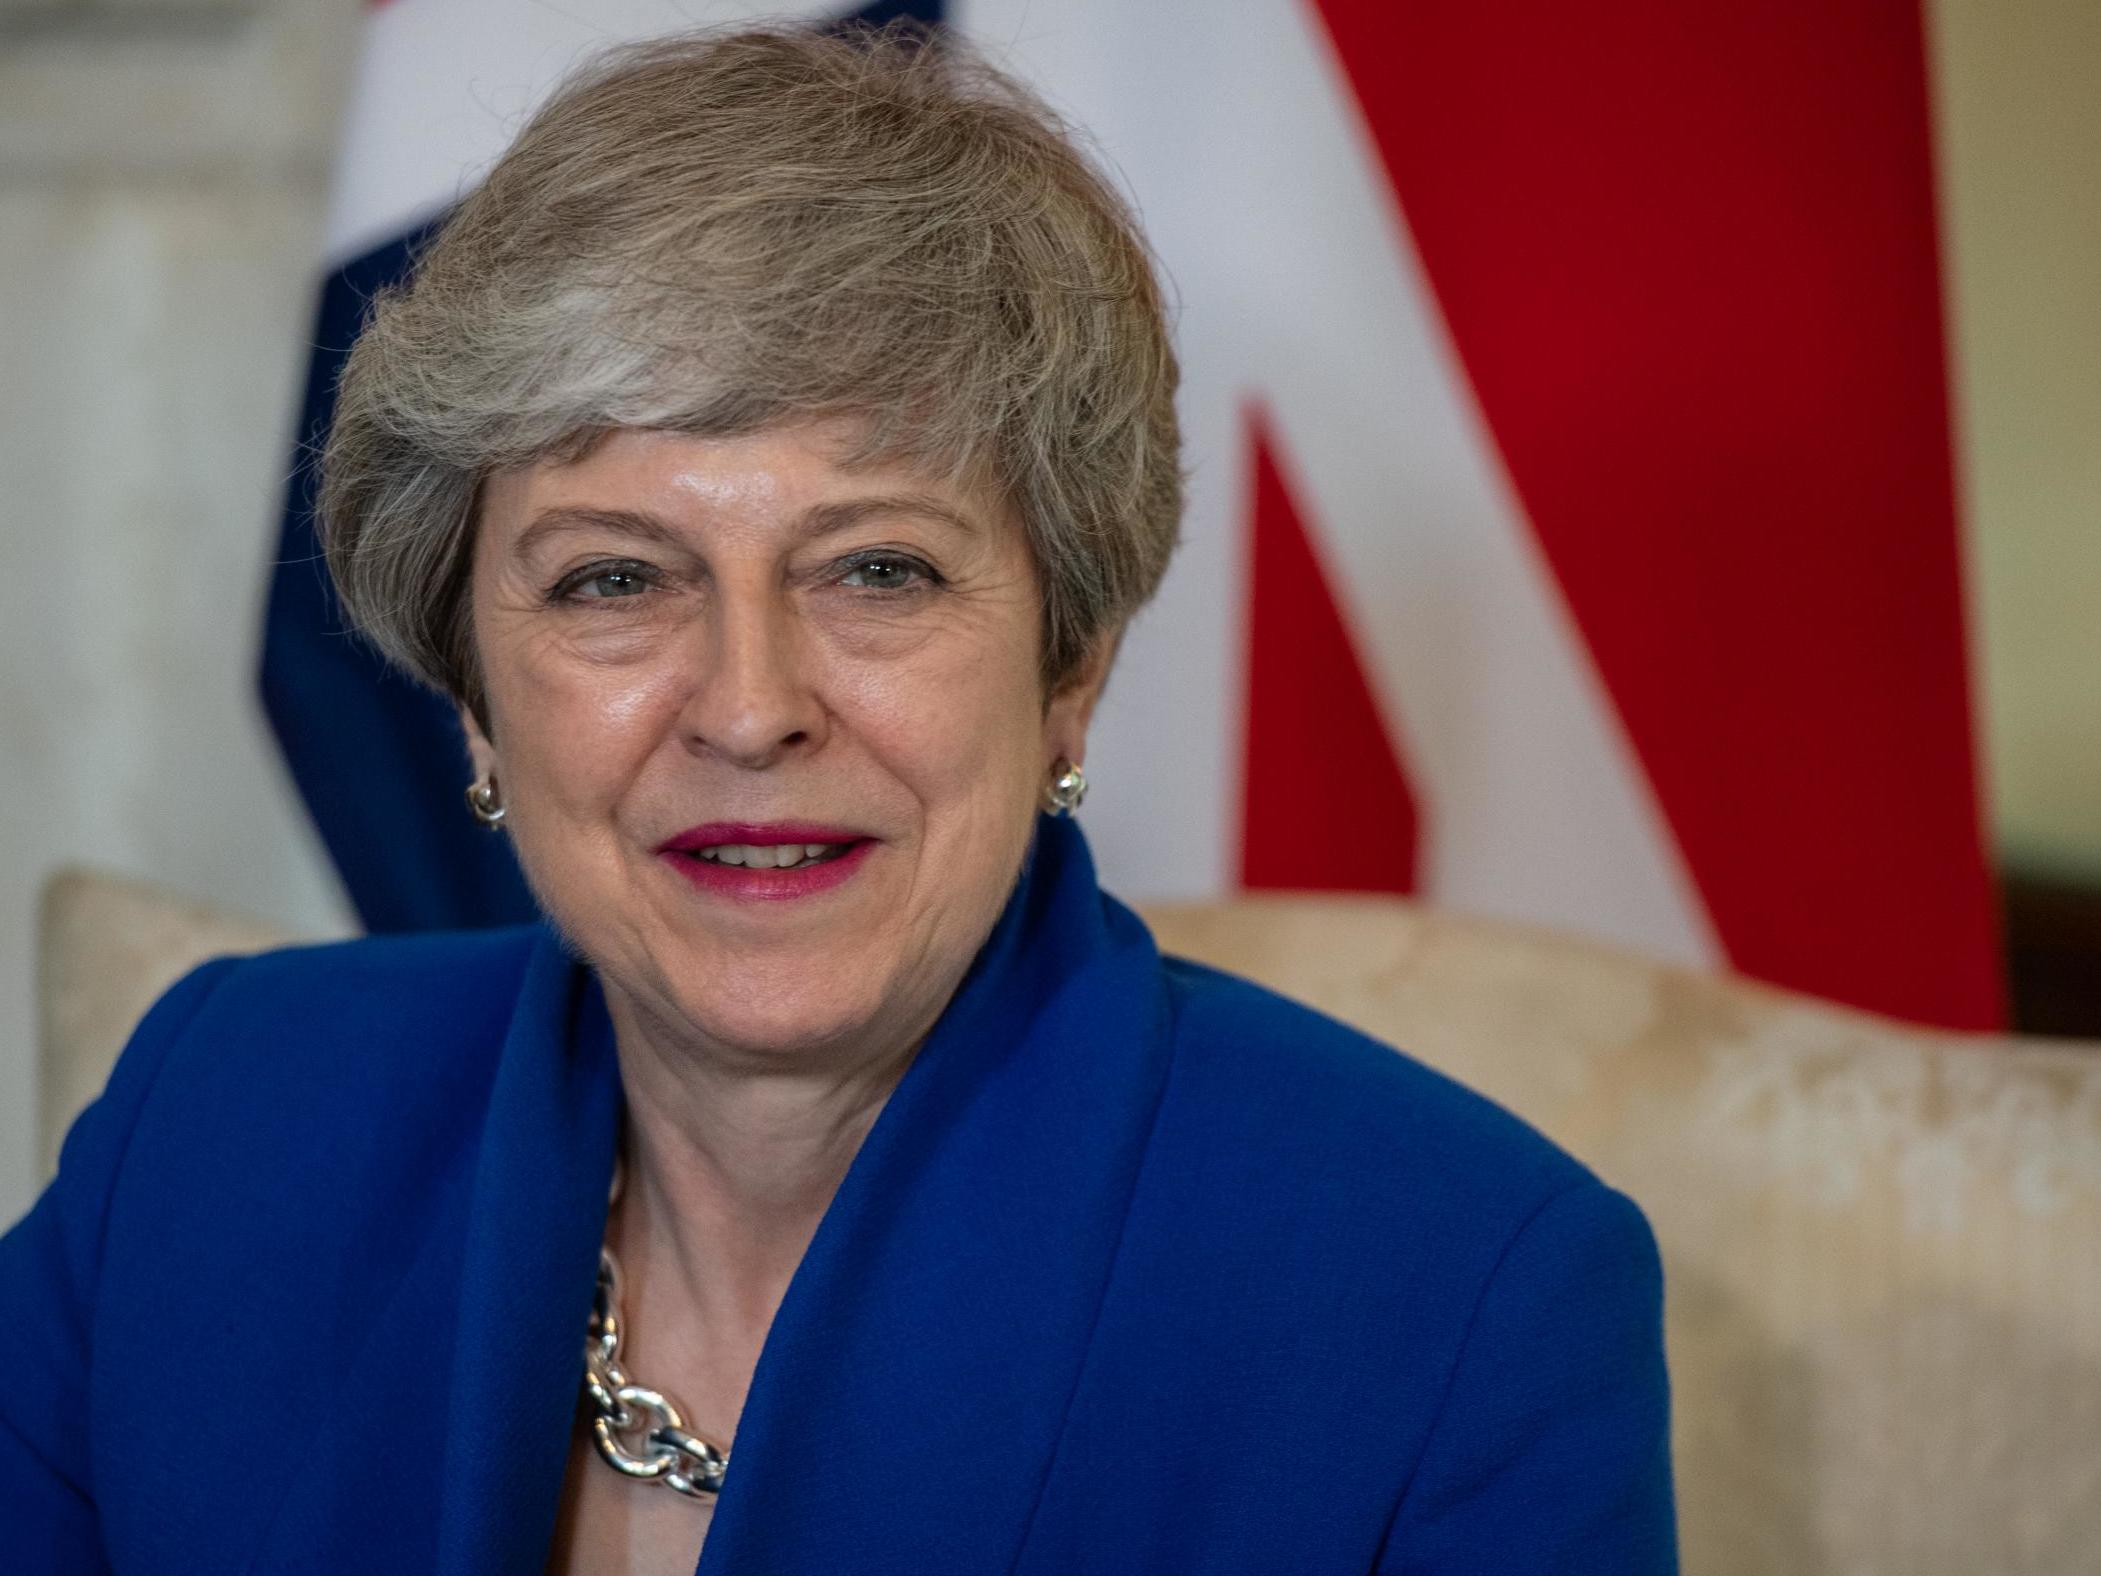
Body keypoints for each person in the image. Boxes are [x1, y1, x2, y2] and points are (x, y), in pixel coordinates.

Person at [0, 25, 1675, 1575]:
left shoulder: (1455, 1300)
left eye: (876, 568)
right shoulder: (211, 1126)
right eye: (609, 583)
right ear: (474, 701)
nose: (749, 707)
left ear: (1068, 660)